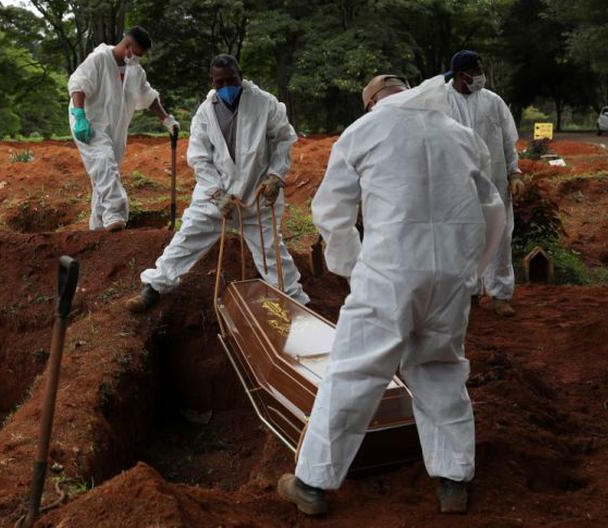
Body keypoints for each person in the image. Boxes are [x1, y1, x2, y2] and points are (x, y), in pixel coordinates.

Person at [277, 74, 506, 515]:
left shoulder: (364, 131)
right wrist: (471, 273)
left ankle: (312, 483)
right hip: (450, 279)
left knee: (355, 372)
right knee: (440, 368)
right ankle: (453, 480)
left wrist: (351, 267)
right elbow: (491, 208)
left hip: (390, 274)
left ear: (371, 102)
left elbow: (332, 211)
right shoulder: (460, 135)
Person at [126, 55, 309, 312]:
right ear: (211, 82)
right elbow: (199, 158)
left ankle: (295, 304)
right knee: (187, 238)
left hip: (257, 196)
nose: (226, 87)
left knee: (272, 253)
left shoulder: (265, 104)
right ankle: (154, 287)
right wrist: (217, 193)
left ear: (240, 76)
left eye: (231, 80)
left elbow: (283, 139)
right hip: (216, 198)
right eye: (220, 82)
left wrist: (276, 175)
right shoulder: (205, 112)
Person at [68, 26, 180, 232]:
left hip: (116, 127)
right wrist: (79, 115)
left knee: (105, 173)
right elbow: (78, 85)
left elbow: (148, 96)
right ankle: (116, 213)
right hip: (89, 121)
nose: (138, 59)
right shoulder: (99, 59)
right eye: (137, 54)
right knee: (104, 163)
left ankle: (98, 227)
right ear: (127, 46)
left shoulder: (135, 70)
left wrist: (166, 119)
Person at [445, 50, 524, 317]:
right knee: (462, 238)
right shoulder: (441, 101)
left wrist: (515, 173)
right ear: (460, 75)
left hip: (494, 181)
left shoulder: (493, 102)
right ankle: (469, 293)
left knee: (500, 237)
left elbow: (507, 142)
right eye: (475, 72)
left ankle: (501, 295)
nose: (480, 76)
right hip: (457, 184)